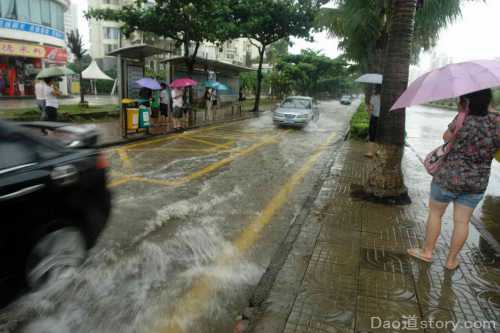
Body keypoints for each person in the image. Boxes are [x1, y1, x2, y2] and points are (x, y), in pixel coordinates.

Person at [408, 89, 500, 270]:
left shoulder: (462, 117)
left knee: (435, 214)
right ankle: (451, 261)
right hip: (477, 181)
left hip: (448, 176)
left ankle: (427, 252)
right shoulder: (497, 121)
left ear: (467, 101)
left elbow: (446, 137)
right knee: (462, 221)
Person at [365, 84, 381, 158]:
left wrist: (367, 109)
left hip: (374, 118)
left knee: (372, 135)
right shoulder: (386, 98)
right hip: (382, 119)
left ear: (376, 89)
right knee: (380, 134)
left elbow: (371, 109)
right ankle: (378, 151)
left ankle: (370, 152)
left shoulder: (374, 97)